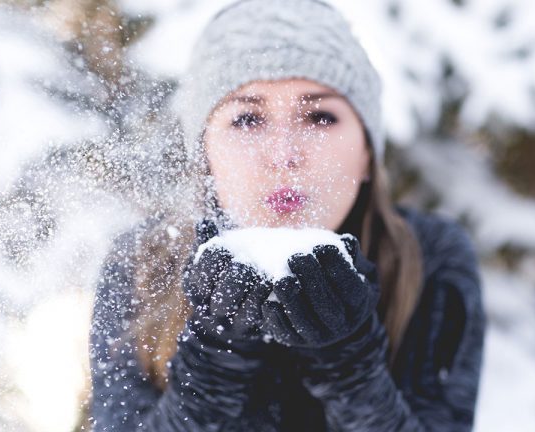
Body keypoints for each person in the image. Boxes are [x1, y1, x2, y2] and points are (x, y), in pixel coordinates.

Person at [88, 0, 485, 430]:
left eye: (319, 116)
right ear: (204, 153)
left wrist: (350, 364)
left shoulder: (429, 261)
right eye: (246, 119)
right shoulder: (144, 264)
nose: (283, 156)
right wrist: (215, 358)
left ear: (368, 151)